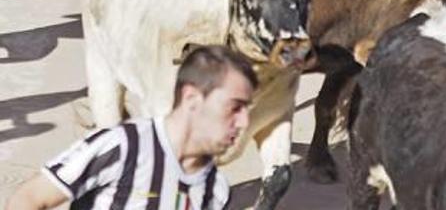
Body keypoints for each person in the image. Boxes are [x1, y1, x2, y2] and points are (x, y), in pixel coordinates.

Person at [5, 46, 257, 210]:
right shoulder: (123, 146)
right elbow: (28, 200)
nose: (245, 121)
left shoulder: (215, 190)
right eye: (235, 107)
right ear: (191, 99)